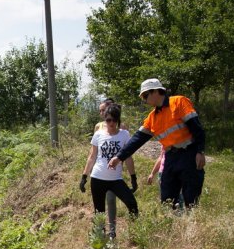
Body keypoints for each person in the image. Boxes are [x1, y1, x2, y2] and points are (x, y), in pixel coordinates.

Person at [109, 78, 205, 208]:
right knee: (167, 199)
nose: (144, 99)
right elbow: (137, 140)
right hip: (171, 157)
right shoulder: (152, 117)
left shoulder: (178, 102)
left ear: (155, 92)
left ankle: (190, 225)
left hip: (189, 154)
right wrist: (119, 157)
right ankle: (172, 225)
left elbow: (197, 127)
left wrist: (200, 151)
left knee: (190, 199)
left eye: (145, 95)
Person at [80, 104, 139, 236]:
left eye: (114, 119)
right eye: (108, 120)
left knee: (132, 204)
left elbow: (128, 157)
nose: (111, 123)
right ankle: (100, 240)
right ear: (104, 120)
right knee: (99, 212)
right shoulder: (98, 134)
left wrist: (133, 177)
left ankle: (134, 234)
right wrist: (84, 176)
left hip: (116, 180)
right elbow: (92, 156)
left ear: (118, 120)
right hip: (98, 178)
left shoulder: (124, 135)